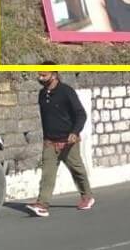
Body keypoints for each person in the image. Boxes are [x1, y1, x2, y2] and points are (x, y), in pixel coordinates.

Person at [31, 67, 94, 217]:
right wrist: (47, 138)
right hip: (50, 142)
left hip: (68, 141)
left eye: (43, 75)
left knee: (77, 169)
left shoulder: (67, 92)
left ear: (54, 75)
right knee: (47, 174)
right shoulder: (42, 94)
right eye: (39, 75)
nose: (40, 78)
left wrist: (74, 132)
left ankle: (87, 196)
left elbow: (81, 114)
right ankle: (42, 205)